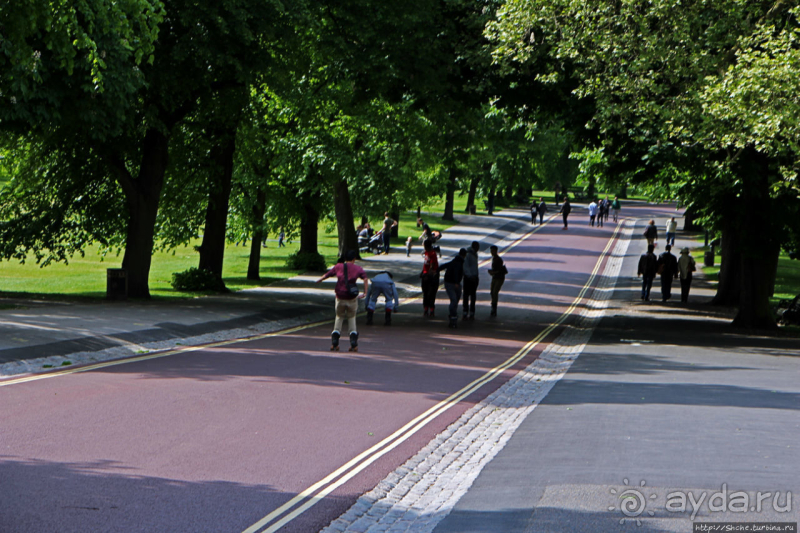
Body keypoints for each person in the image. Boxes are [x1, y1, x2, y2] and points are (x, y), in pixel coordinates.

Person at [316, 250, 369, 352]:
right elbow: (365, 279)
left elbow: (328, 274)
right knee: (351, 317)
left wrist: (320, 279)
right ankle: (353, 343)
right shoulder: (358, 268)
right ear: (354, 259)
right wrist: (365, 292)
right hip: (352, 298)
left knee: (339, 317)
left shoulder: (338, 266)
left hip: (340, 297)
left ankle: (335, 342)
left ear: (344, 258)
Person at [440, 249, 467, 328]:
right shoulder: (460, 263)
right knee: (455, 300)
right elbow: (456, 272)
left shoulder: (454, 261)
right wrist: (456, 282)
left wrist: (437, 270)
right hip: (453, 283)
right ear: (464, 255)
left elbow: (445, 265)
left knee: (454, 300)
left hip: (449, 282)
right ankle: (453, 315)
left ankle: (453, 314)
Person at [420, 239, 439, 317]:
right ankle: (426, 308)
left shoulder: (432, 253)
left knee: (431, 293)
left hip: (431, 276)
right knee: (425, 293)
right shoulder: (427, 252)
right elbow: (426, 264)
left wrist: (427, 275)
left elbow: (432, 266)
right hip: (425, 274)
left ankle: (431, 309)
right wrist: (422, 272)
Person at [462, 241, 480, 320]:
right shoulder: (469, 255)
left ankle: (472, 311)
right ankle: (465, 311)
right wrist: (469, 276)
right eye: (477, 247)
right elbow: (466, 266)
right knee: (466, 295)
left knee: (473, 295)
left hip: (474, 277)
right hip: (469, 278)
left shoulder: (475, 254)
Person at [488, 245, 506, 316]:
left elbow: (499, 270)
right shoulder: (494, 259)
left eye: (493, 251)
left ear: (496, 251)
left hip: (499, 277)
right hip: (495, 277)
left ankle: (494, 308)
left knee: (495, 292)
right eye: (491, 251)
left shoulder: (499, 259)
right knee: (492, 292)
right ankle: (493, 305)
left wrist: (493, 272)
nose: (492, 252)